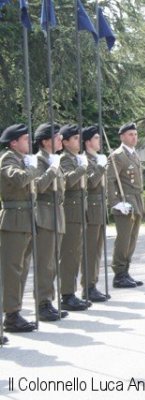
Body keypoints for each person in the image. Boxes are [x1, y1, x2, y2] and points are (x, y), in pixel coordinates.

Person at [0, 124, 38, 333]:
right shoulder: (8, 159)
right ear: (13, 142)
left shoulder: (22, 160)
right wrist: (32, 168)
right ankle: (11, 315)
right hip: (14, 220)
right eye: (24, 139)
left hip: (25, 219)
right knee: (12, 270)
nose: (28, 142)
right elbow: (18, 179)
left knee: (21, 269)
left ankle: (15, 311)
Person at [33, 123, 69, 321]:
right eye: (56, 138)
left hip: (57, 213)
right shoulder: (39, 160)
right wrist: (53, 169)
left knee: (53, 262)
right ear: (45, 141)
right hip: (45, 214)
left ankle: (48, 300)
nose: (60, 140)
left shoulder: (53, 159)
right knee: (45, 263)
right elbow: (38, 186)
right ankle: (42, 303)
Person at [107, 122, 144, 288]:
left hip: (136, 201)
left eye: (135, 134)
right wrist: (115, 203)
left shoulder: (134, 154)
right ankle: (119, 273)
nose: (134, 137)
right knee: (123, 238)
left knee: (132, 238)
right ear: (122, 137)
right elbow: (110, 180)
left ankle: (126, 271)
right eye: (130, 134)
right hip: (125, 201)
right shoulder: (117, 156)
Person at [58, 124, 90, 311]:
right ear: (66, 142)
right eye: (76, 138)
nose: (79, 141)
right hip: (70, 212)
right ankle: (66, 294)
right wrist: (82, 168)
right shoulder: (65, 159)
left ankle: (71, 291)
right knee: (69, 254)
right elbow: (69, 182)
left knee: (76, 253)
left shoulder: (76, 158)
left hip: (79, 211)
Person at [81, 126, 109, 302]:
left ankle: (93, 284)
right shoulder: (85, 160)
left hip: (99, 208)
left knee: (97, 251)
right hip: (90, 209)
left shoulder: (97, 158)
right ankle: (87, 287)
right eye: (96, 138)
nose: (99, 141)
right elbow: (90, 182)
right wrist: (100, 167)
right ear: (88, 142)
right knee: (90, 250)